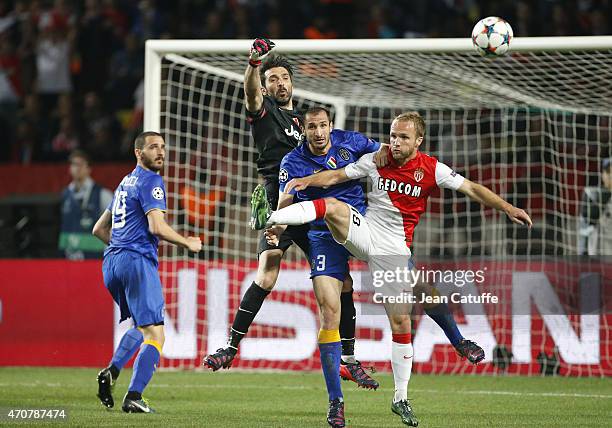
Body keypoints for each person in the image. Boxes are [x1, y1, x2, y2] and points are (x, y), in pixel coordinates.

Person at [263, 111, 533, 426]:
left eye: (403, 137)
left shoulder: (433, 169)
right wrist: (306, 181)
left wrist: (508, 208)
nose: (395, 142)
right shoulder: (377, 160)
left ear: (418, 140)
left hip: (393, 250)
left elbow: (471, 189)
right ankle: (274, 219)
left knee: (404, 317)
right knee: (334, 209)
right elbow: (336, 176)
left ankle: (401, 397)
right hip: (364, 232)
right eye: (393, 135)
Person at [202, 38, 379, 389]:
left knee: (341, 283)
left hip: (315, 207)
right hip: (280, 202)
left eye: (284, 77)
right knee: (267, 270)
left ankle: (349, 359)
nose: (279, 83)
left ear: (292, 82)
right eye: (273, 79)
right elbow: (250, 95)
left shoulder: (306, 121)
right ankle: (231, 346)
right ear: (266, 86)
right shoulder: (265, 111)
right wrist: (255, 65)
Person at [272, 107, 383, 426]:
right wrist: (276, 227)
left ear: (331, 127)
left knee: (405, 285)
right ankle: (336, 401)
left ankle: (455, 338)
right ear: (303, 130)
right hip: (322, 236)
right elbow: (286, 202)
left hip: (360, 227)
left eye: (323, 126)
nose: (318, 132)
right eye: (312, 127)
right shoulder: (292, 162)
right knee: (329, 310)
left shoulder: (353, 141)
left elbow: (387, 155)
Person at [92, 131, 202, 413]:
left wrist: (121, 248)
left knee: (142, 327)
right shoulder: (152, 180)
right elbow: (156, 226)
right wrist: (187, 241)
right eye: (154, 147)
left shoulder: (124, 183)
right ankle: (134, 396)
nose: (161, 152)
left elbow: (98, 229)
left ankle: (112, 373)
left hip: (112, 262)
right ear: (138, 153)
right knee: (156, 333)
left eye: (163, 147)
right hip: (135, 261)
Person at [59, 149, 112, 260]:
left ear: (89, 169)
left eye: (81, 164)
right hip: (70, 256)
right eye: (74, 164)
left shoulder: (103, 194)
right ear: (70, 168)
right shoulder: (65, 194)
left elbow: (114, 226)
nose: (77, 168)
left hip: (96, 256)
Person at [578, 157, 612, 255]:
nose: (611, 176)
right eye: (608, 172)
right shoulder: (591, 194)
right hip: (598, 256)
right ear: (603, 175)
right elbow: (585, 226)